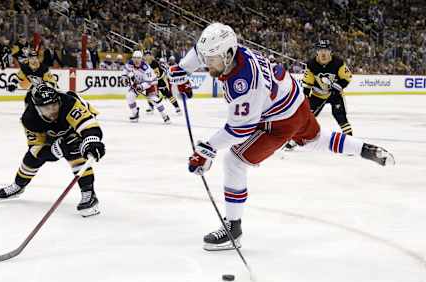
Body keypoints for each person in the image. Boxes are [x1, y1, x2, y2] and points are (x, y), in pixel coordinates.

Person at [169, 23, 395, 251]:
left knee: (234, 162)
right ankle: (364, 149)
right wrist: (182, 69)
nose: (207, 65)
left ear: (228, 54)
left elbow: (240, 130)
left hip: (280, 120)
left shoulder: (246, 83)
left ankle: (233, 229)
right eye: (207, 59)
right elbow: (200, 51)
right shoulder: (229, 52)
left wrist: (207, 149)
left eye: (212, 60)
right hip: (295, 101)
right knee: (317, 139)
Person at [0, 84, 105, 217]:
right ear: (37, 108)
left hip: (74, 127)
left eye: (54, 105)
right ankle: (18, 185)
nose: (52, 110)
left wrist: (91, 141)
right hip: (51, 133)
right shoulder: (29, 119)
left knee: (73, 150)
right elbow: (36, 148)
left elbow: (88, 124)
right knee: (31, 158)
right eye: (46, 108)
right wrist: (55, 151)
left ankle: (89, 193)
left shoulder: (69, 103)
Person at [303, 39, 354, 135]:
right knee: (307, 117)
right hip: (317, 95)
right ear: (317, 52)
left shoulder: (338, 63)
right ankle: (297, 139)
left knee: (340, 117)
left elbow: (347, 78)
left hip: (335, 95)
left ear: (330, 51)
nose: (323, 53)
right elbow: (307, 84)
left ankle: (349, 139)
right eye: (320, 50)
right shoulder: (311, 64)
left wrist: (335, 88)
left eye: (326, 50)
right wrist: (305, 97)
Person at [120, 50, 171, 123]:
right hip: (139, 82)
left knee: (154, 99)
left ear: (141, 58)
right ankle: (135, 114)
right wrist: (124, 77)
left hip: (151, 83)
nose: (136, 60)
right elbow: (125, 71)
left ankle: (165, 116)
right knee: (130, 95)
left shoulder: (146, 68)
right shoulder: (130, 63)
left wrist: (141, 86)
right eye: (134, 58)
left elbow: (149, 82)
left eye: (138, 58)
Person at [144, 50, 182, 115]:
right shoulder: (145, 64)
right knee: (150, 94)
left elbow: (157, 74)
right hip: (153, 81)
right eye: (146, 55)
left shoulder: (154, 63)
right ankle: (151, 107)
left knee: (168, 94)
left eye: (148, 55)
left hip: (160, 80)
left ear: (151, 56)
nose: (147, 57)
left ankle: (177, 108)